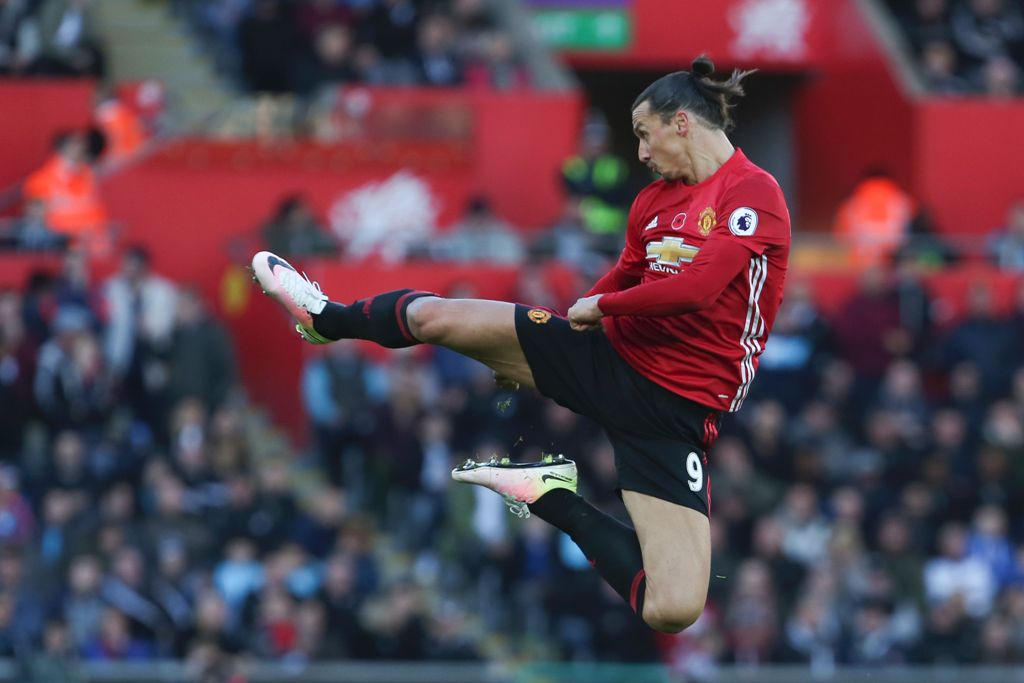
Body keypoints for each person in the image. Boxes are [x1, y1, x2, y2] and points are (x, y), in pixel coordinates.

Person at [251, 57, 791, 633]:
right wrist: (568, 324)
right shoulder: (652, 202)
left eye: (642, 133)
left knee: (674, 609)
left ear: (681, 122)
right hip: (609, 360)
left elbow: (701, 288)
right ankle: (326, 316)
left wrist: (601, 307)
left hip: (674, 411)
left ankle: (550, 494)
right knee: (439, 316)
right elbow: (625, 276)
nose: (639, 152)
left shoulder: (753, 193)